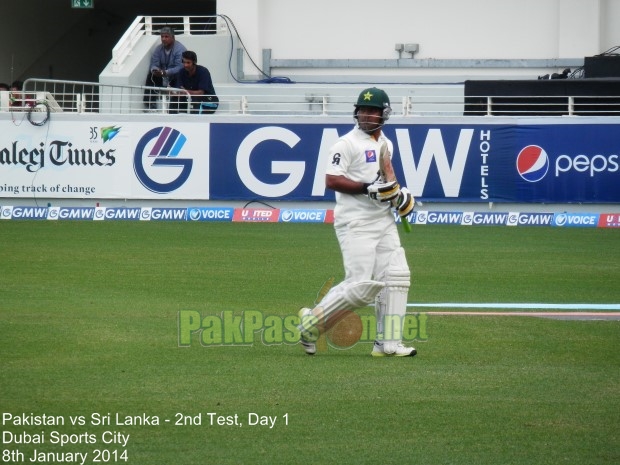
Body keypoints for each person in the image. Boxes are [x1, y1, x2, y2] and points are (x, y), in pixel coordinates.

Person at [298, 87, 416, 357]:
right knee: (361, 285)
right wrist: (367, 189)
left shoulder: (386, 143)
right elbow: (332, 180)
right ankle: (310, 325)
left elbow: (387, 178)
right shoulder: (345, 144)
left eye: (372, 110)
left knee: (396, 277)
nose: (366, 115)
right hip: (356, 222)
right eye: (363, 110)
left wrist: (398, 196)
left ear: (384, 114)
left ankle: (388, 345)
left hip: (383, 221)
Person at [143, 26, 186, 110]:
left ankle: (176, 106)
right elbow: (154, 63)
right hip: (162, 75)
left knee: (179, 74)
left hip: (174, 76)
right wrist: (155, 70)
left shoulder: (180, 49)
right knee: (151, 76)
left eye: (166, 36)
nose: (163, 39)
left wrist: (166, 72)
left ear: (173, 37)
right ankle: (149, 104)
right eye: (162, 36)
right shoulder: (158, 49)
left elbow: (180, 67)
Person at [169, 50, 218, 114]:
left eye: (188, 63)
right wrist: (174, 92)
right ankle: (172, 121)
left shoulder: (203, 72)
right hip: (190, 99)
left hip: (208, 100)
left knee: (196, 101)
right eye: (184, 62)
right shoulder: (181, 72)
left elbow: (200, 93)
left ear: (194, 62)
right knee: (174, 100)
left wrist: (185, 92)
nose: (185, 65)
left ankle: (194, 122)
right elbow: (180, 90)